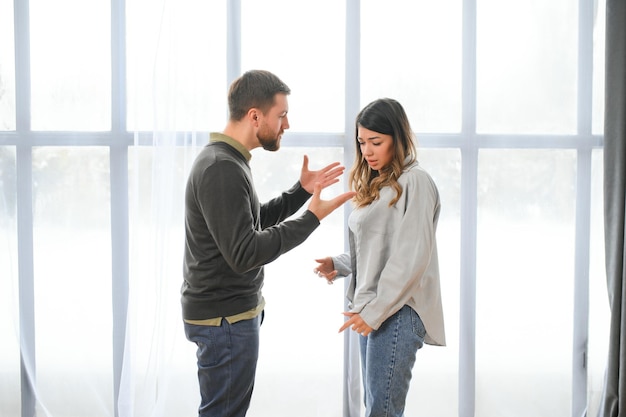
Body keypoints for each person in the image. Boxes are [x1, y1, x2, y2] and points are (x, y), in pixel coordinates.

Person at [181, 69, 355, 417]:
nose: (286, 125)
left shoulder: (227, 161)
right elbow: (244, 252)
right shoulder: (221, 168)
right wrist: (312, 218)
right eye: (282, 116)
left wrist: (300, 193)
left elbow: (252, 221)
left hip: (226, 317)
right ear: (255, 116)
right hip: (224, 320)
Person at [314, 98, 446, 417]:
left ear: (397, 139)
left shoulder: (416, 182)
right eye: (362, 143)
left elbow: (411, 257)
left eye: (376, 142)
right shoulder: (381, 183)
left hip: (397, 310)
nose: (367, 151)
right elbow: (377, 247)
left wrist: (374, 312)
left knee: (382, 411)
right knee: (375, 407)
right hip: (373, 308)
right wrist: (340, 264)